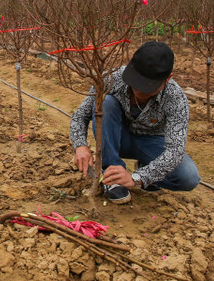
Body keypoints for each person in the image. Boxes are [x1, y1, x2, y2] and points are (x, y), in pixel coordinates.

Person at [69, 40, 199, 204]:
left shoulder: (176, 98)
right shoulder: (112, 78)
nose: (138, 90)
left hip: (151, 144)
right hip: (117, 137)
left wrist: (138, 177)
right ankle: (112, 175)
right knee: (106, 102)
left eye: (147, 86)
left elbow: (175, 151)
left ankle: (145, 170)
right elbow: (80, 115)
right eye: (136, 82)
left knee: (188, 177)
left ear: (167, 79)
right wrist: (80, 145)